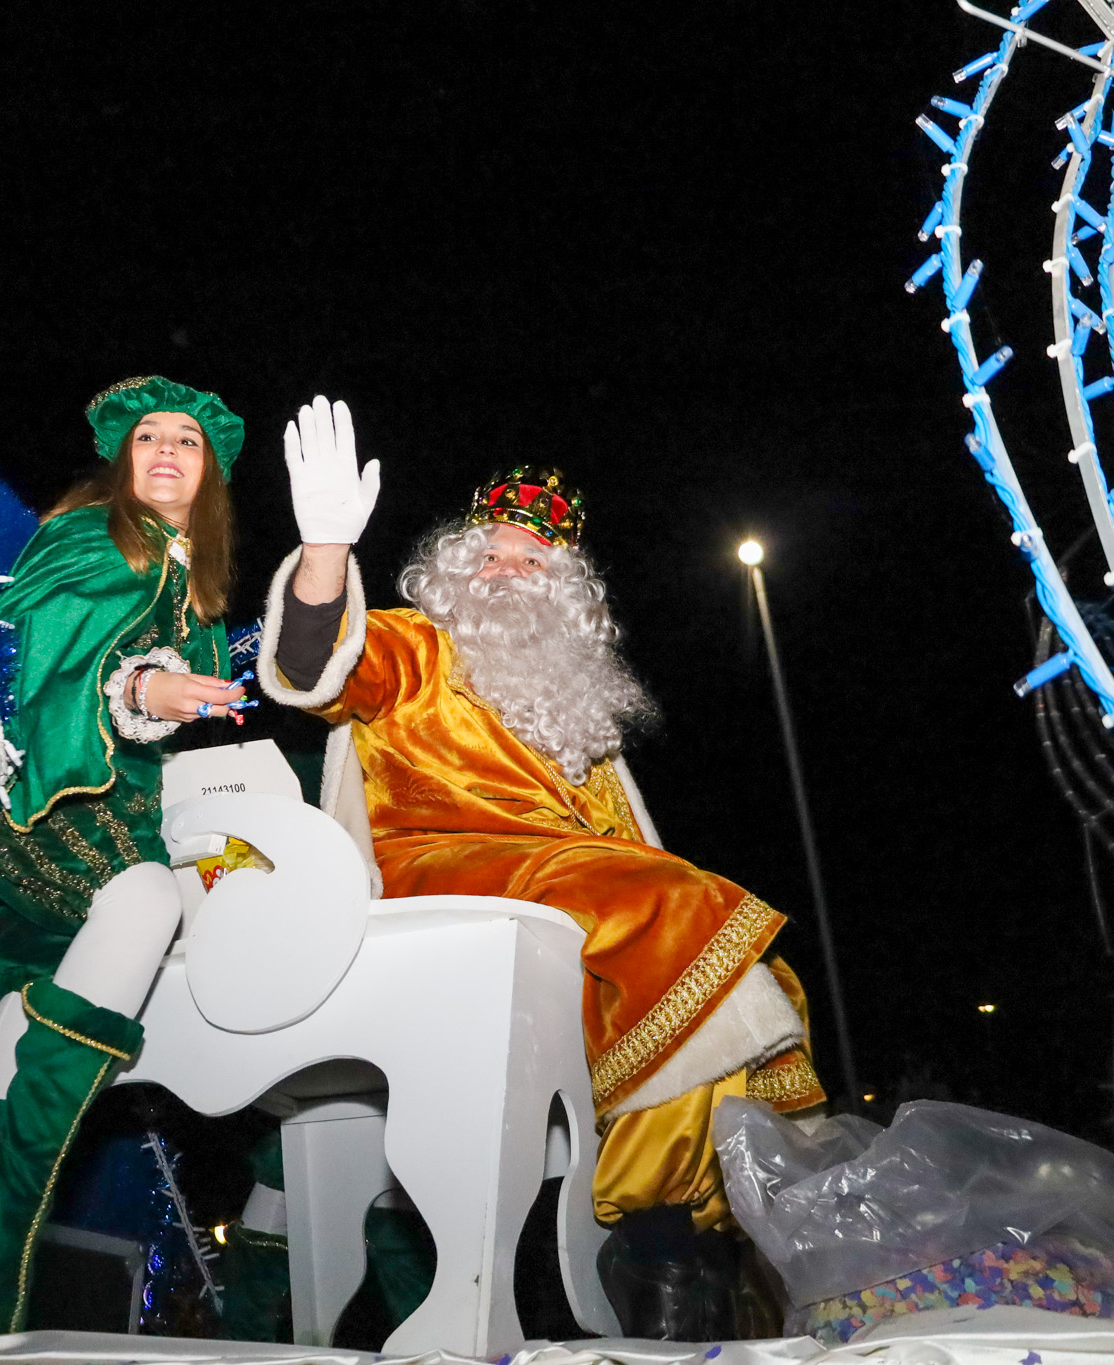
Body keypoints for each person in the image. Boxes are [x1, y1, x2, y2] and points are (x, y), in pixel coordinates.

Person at [257, 397, 825, 1340]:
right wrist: (323, 554)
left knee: (729, 975)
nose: (507, 572)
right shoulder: (416, 644)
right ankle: (663, 1249)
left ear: (568, 594)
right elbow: (314, 667)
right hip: (439, 878)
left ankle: (672, 1254)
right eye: (488, 554)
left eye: (531, 561)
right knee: (680, 908)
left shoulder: (577, 713)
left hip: (576, 901)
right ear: (450, 574)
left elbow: (629, 853)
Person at [0, 375, 254, 1340]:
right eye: (149, 439)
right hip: (46, 788)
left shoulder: (192, 579)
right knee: (142, 899)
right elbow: (40, 655)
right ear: (121, 461)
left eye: (188, 442)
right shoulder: (92, 538)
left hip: (118, 803)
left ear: (209, 474)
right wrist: (144, 689)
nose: (167, 451)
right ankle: (5, 1214)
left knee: (27, 1004)